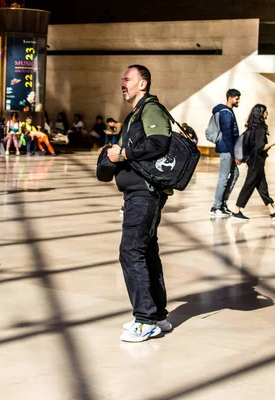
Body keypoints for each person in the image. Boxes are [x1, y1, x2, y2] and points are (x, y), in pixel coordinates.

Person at [106, 65, 173, 343]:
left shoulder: (151, 109)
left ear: (142, 84)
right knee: (145, 252)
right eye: (122, 79)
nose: (122, 83)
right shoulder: (137, 112)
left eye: (128, 79)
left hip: (145, 194)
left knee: (131, 251)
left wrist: (123, 153)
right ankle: (157, 315)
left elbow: (160, 142)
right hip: (138, 194)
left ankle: (145, 319)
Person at [231, 104, 275, 221]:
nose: (267, 113)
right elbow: (260, 147)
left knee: (262, 186)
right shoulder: (260, 129)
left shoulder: (252, 127)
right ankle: (236, 210)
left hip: (254, 160)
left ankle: (272, 211)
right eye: (266, 111)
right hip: (256, 161)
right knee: (249, 185)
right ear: (261, 113)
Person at [210, 88, 241, 218]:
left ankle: (222, 203)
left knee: (235, 174)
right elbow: (228, 135)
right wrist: (235, 155)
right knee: (224, 177)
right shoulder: (226, 113)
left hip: (228, 149)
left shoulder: (228, 112)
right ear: (230, 98)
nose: (239, 101)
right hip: (227, 149)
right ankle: (216, 206)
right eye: (237, 98)